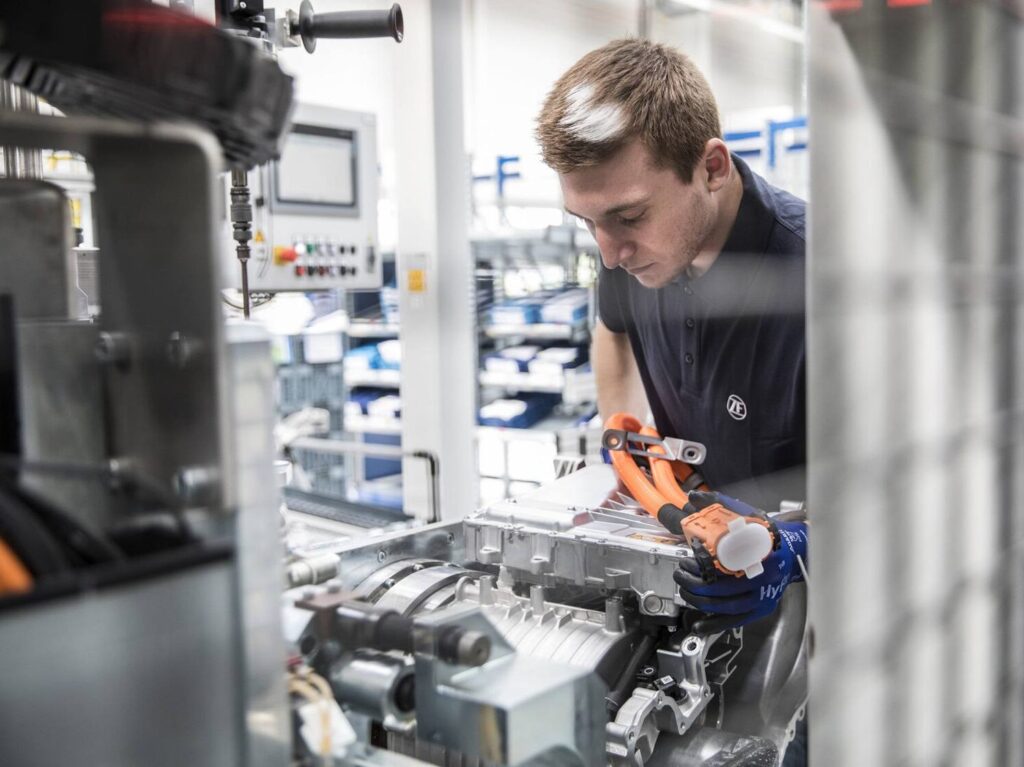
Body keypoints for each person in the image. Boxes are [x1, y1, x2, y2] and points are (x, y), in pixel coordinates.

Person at [536, 39, 808, 765]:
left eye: (627, 216)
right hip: (696, 585)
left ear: (711, 167)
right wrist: (627, 439)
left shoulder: (816, 274)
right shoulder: (629, 255)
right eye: (586, 223)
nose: (608, 251)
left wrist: (800, 550)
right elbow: (612, 330)